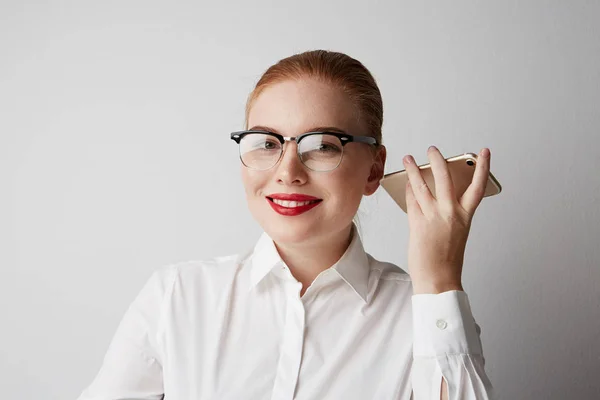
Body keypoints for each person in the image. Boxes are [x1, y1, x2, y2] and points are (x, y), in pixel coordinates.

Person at [77, 50, 495, 400]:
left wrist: (439, 279)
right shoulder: (177, 298)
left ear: (374, 170)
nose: (288, 171)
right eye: (267, 143)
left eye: (323, 146)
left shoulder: (428, 315)